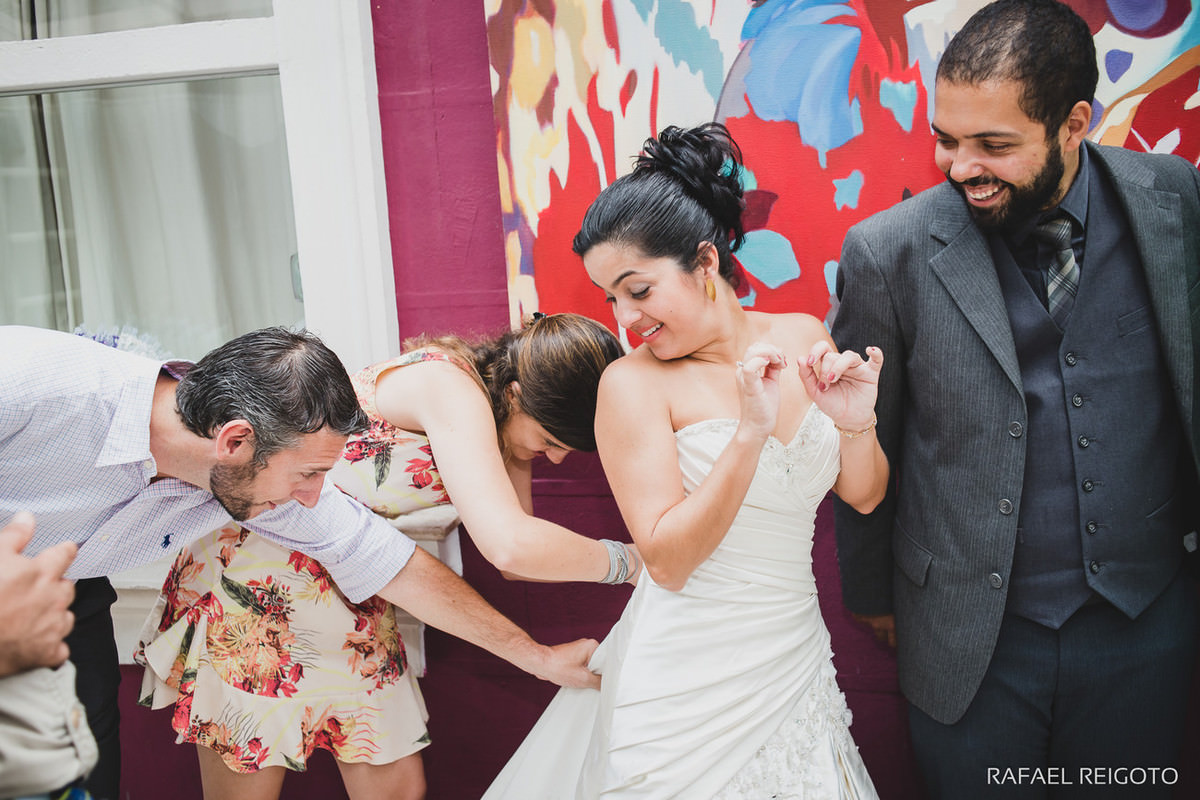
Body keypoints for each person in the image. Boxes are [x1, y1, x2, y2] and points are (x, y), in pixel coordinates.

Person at [830, 1, 1200, 797]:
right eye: (946, 139)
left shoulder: (1177, 201)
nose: (961, 166)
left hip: (1145, 625)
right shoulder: (886, 252)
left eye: (994, 145)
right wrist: (872, 598)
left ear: (1074, 125)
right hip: (969, 641)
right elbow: (866, 434)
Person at [0, 324, 601, 800]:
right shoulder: (34, 384)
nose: (317, 495)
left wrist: (536, 656)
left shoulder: (250, 477)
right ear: (235, 440)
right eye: (311, 473)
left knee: (80, 770)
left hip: (59, 597)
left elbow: (380, 557)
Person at [485, 123, 888, 798]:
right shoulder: (631, 386)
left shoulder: (803, 334)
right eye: (611, 298)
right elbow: (668, 562)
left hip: (794, 662)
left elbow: (866, 494)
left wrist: (857, 423)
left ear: (704, 263)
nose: (624, 318)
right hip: (682, 689)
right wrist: (749, 434)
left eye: (638, 291)